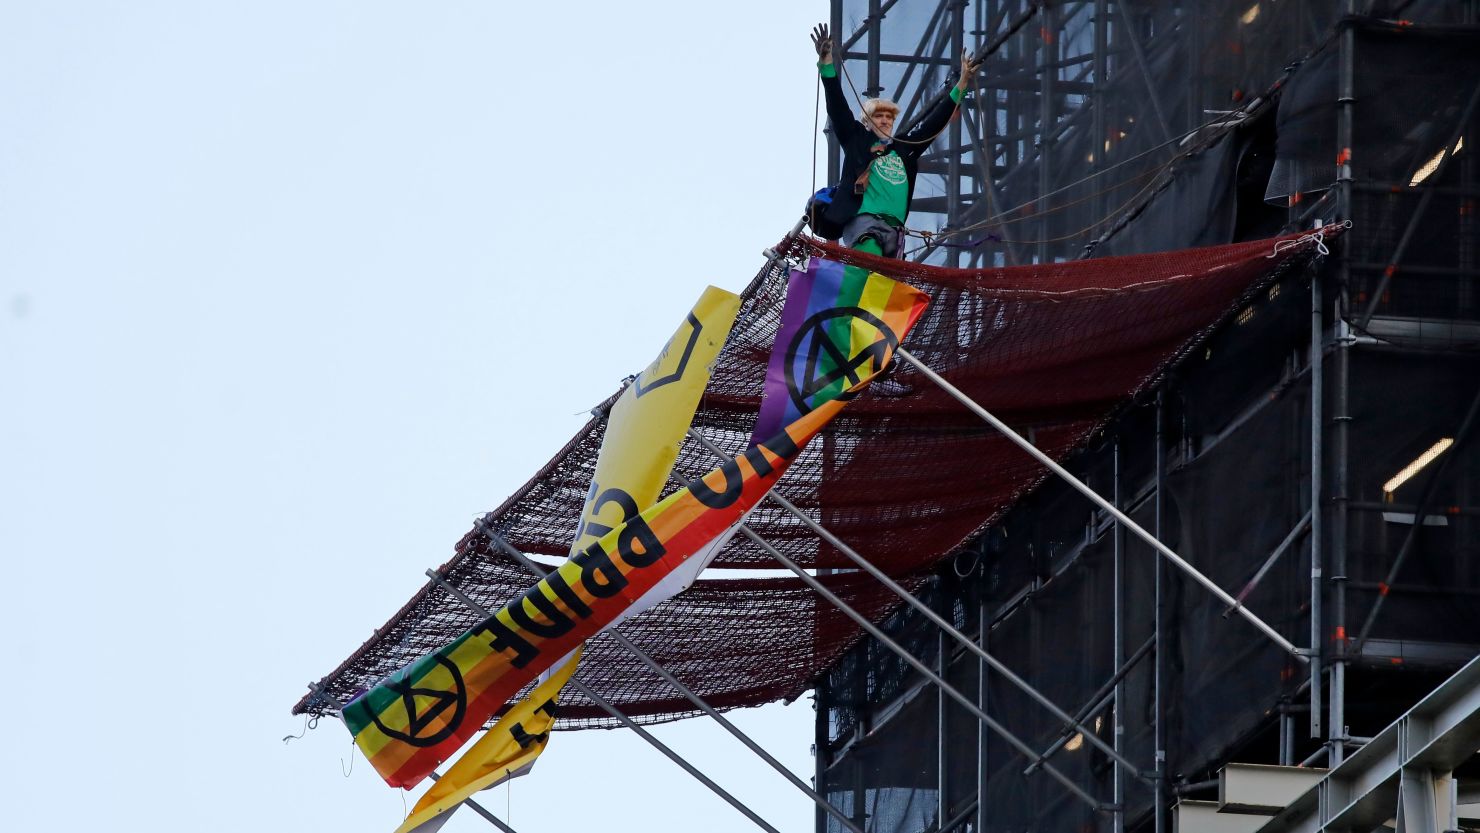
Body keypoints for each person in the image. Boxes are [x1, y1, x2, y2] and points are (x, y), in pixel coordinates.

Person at [811, 23, 981, 258]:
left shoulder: (903, 149)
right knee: (865, 266)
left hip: (895, 229)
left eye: (889, 116)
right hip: (865, 222)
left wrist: (962, 84)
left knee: (885, 285)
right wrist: (827, 65)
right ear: (867, 122)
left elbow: (934, 123)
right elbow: (838, 108)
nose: (884, 120)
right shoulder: (857, 139)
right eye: (878, 116)